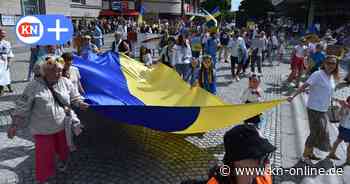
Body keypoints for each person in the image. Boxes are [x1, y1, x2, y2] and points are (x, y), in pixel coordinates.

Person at [7, 57, 89, 184]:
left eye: (60, 71)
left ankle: (62, 162)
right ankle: (43, 178)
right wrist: (14, 125)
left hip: (62, 126)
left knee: (64, 149)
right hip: (42, 129)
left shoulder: (65, 82)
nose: (58, 74)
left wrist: (80, 102)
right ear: (45, 71)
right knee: (44, 156)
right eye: (55, 71)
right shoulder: (33, 86)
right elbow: (22, 107)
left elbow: (74, 96)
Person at [288, 55, 339, 163]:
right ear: (324, 63)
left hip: (323, 109)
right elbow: (304, 86)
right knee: (315, 132)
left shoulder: (331, 77)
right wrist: (293, 95)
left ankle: (310, 153)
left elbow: (328, 92)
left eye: (333, 63)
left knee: (321, 131)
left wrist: (337, 100)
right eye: (329, 63)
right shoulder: (318, 74)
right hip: (314, 108)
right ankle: (305, 156)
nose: (331, 65)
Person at [206, 125, 276, 184]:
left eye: (266, 155)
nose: (267, 162)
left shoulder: (263, 178)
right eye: (259, 157)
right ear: (237, 161)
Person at [327, 96, 350, 166]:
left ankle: (332, 153)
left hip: (345, 128)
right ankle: (348, 160)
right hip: (345, 128)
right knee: (339, 141)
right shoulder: (346, 108)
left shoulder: (346, 106)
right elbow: (340, 114)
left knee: (339, 141)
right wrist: (344, 108)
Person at [0, 29, 14, 95]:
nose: (3, 35)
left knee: (6, 74)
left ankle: (9, 87)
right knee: (1, 75)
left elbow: (9, 53)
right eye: (2, 34)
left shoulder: (7, 43)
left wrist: (9, 62)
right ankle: (1, 89)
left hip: (4, 61)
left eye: (4, 34)